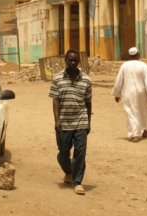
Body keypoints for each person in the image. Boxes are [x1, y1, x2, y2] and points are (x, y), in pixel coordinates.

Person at [49, 49, 92, 195]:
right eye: (70, 60)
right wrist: (57, 120)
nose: (73, 63)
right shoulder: (57, 78)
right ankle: (68, 171)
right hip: (64, 121)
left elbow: (88, 102)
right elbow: (55, 100)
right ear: (65, 61)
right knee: (63, 152)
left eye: (75, 60)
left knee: (80, 152)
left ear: (79, 62)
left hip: (81, 120)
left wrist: (89, 122)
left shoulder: (86, 79)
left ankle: (77, 182)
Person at [112, 46, 147, 142]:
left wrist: (117, 93)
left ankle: (135, 134)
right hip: (141, 91)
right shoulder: (143, 65)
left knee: (130, 112)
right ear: (138, 54)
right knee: (142, 111)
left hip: (128, 92)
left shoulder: (124, 66)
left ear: (129, 55)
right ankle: (143, 129)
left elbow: (119, 80)